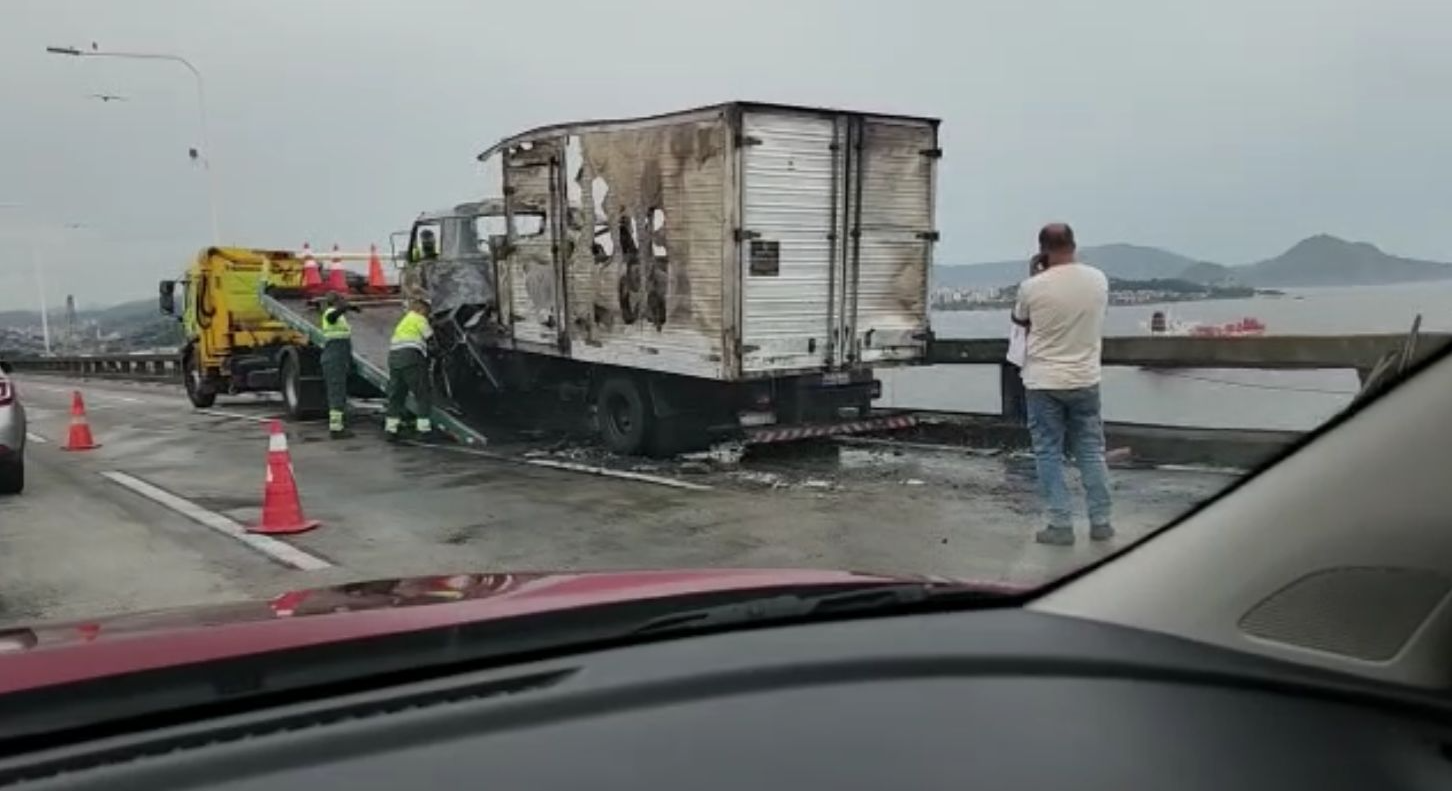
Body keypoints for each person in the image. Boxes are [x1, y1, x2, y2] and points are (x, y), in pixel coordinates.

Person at [1011, 223, 1113, 546]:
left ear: (1042, 249)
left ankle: (1060, 524)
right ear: (1074, 244)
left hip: (1043, 381)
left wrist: (1034, 272)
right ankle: (1101, 521)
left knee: (1048, 452)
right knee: (1090, 450)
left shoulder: (1031, 286)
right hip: (1085, 378)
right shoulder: (1098, 280)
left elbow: (1020, 321)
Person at [385, 296, 436, 442]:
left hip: (394, 359)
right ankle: (423, 430)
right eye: (427, 311)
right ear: (420, 309)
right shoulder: (419, 319)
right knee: (422, 393)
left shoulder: (404, 321)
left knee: (396, 395)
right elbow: (430, 337)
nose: (428, 314)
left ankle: (391, 429)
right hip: (411, 359)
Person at [319, 292, 359, 440]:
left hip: (340, 357)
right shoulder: (330, 313)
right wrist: (345, 308)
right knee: (336, 392)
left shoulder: (339, 316)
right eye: (341, 300)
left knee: (339, 392)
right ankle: (336, 429)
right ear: (336, 302)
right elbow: (332, 317)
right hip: (334, 358)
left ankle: (338, 425)